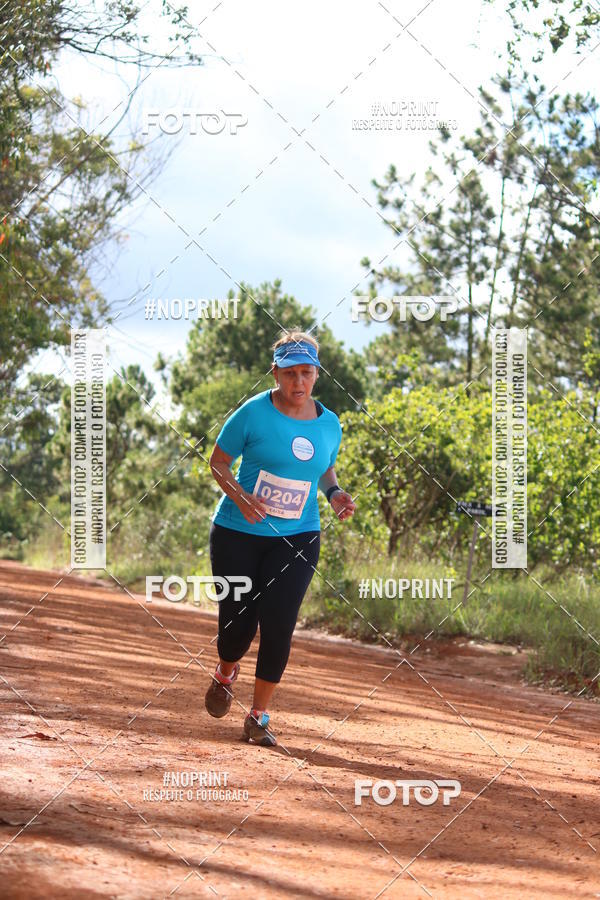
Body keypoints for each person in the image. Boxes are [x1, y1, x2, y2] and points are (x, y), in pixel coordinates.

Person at [204, 330, 356, 746]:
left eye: (307, 373)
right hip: (239, 532)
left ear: (317, 375)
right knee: (238, 624)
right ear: (275, 373)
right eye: (290, 374)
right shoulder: (252, 413)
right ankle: (225, 670)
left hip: (299, 535)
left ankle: (258, 716)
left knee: (280, 623)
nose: (299, 383)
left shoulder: (330, 423)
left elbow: (325, 470)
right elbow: (218, 463)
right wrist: (241, 496)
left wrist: (335, 493)